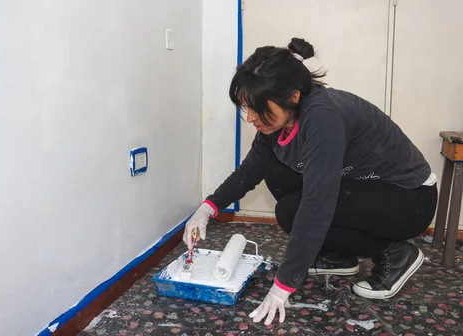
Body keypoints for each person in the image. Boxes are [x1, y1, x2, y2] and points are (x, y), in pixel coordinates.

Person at [183, 38, 438, 326]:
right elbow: (249, 171)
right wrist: (208, 207)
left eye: (257, 108)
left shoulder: (323, 117)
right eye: (246, 107)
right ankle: (342, 256)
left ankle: (395, 252)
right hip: (363, 191)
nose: (251, 118)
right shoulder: (276, 122)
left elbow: (318, 203)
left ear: (292, 97)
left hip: (409, 198)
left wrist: (284, 285)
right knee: (279, 178)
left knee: (298, 210)